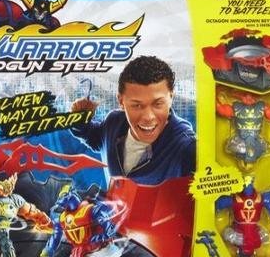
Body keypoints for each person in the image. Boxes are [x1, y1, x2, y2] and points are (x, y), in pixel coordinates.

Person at [70, 55, 196, 185]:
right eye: (137, 105)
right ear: (121, 101)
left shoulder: (185, 146)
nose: (148, 117)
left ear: (171, 98)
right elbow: (91, 136)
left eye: (158, 104)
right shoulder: (113, 123)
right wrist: (80, 119)